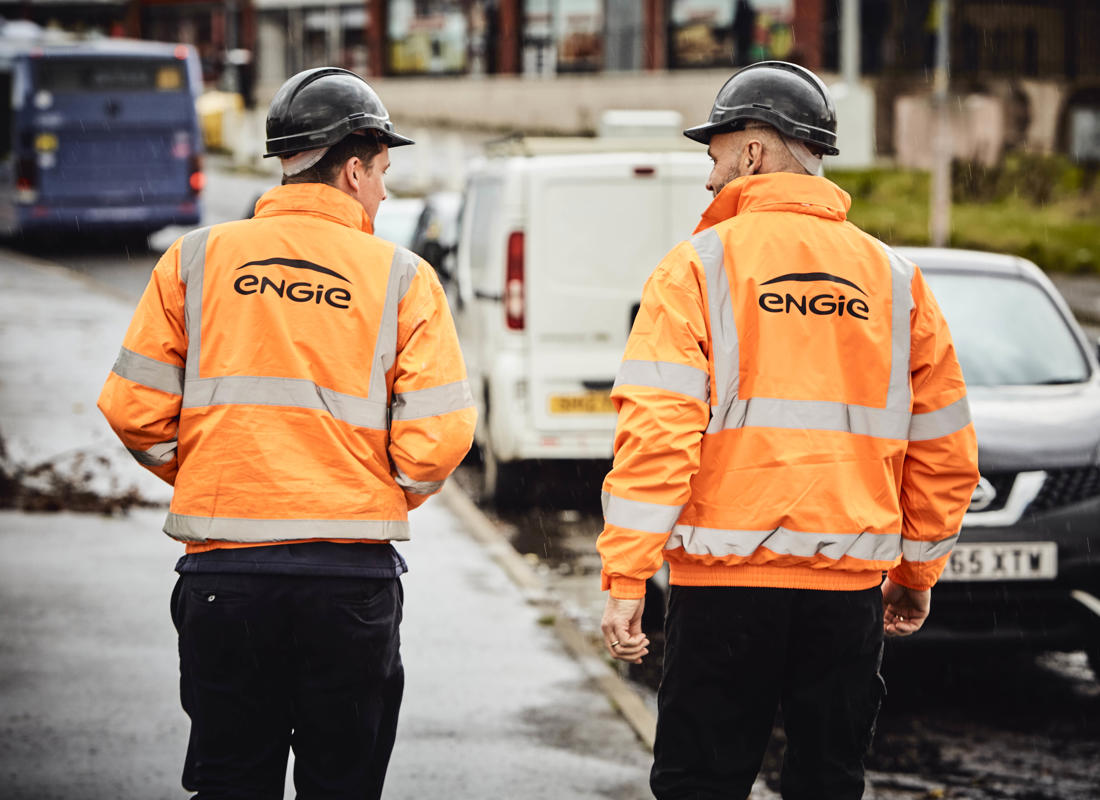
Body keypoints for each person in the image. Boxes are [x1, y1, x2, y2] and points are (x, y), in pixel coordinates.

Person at [597, 61, 979, 799]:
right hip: (845, 599)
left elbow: (658, 432)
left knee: (700, 784)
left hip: (724, 591)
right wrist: (915, 571)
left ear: (751, 152)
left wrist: (626, 577)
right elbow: (943, 444)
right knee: (828, 784)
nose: (708, 180)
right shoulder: (894, 278)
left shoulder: (695, 270)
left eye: (714, 156)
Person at [98, 67, 476, 799]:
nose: (386, 193)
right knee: (342, 784)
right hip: (348, 583)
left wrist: (216, 475)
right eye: (384, 174)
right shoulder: (403, 277)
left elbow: (131, 408)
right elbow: (437, 438)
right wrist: (368, 492)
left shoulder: (193, 259)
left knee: (233, 780)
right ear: (355, 166)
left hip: (226, 579)